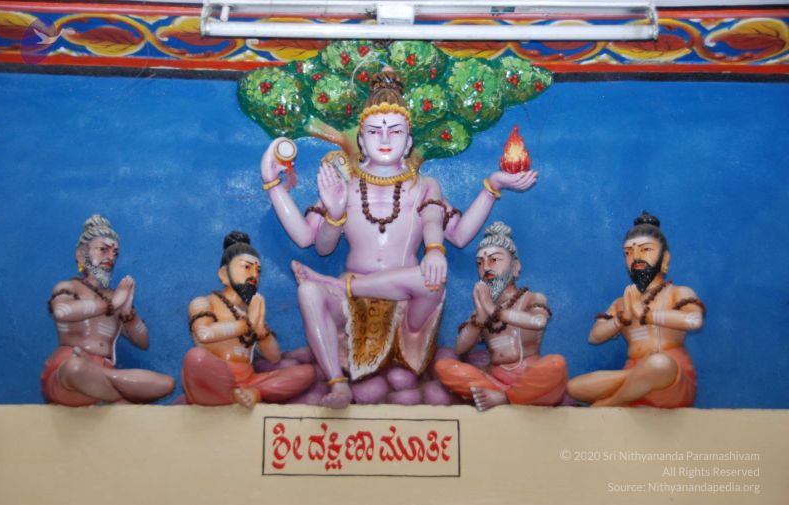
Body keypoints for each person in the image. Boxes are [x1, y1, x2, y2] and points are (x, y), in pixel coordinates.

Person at [260, 71, 538, 408]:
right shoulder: (345, 186)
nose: (385, 139)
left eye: (395, 131)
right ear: (362, 140)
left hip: (407, 302)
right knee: (308, 291)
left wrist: (492, 187)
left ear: (408, 142)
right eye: (374, 131)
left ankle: (342, 287)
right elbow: (314, 242)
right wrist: (278, 186)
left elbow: (459, 234)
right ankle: (337, 382)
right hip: (349, 299)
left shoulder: (424, 185)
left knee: (432, 278)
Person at [567, 212, 704, 408]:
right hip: (633, 377)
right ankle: (637, 381)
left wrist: (647, 315)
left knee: (658, 364)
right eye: (628, 253)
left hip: (670, 377)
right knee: (574, 387)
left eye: (646, 249)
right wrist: (622, 318)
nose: (636, 257)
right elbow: (594, 337)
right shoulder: (622, 302)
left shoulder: (678, 292)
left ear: (665, 257)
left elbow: (694, 320)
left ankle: (609, 404)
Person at [43, 215, 175, 405]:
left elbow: (143, 342)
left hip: (103, 374)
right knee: (75, 368)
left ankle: (107, 389)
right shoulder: (69, 287)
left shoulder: (115, 295)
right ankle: (122, 398)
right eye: (103, 249)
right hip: (69, 374)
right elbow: (62, 312)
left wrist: (127, 310)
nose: (110, 257)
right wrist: (111, 304)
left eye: (115, 253)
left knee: (166, 383)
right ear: (80, 255)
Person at [435, 222, 567, 411]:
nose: (486, 268)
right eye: (480, 263)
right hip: (494, 380)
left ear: (515, 267)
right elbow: (459, 348)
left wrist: (495, 311)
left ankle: (506, 398)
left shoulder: (532, 298)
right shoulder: (483, 308)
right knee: (445, 367)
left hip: (530, 378)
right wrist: (481, 318)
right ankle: (504, 395)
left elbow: (539, 321)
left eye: (494, 260)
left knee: (556, 364)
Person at [181, 231, 316, 408]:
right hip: (215, 381)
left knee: (306, 373)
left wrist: (261, 332)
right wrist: (247, 325)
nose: (254, 275)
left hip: (248, 381)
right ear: (224, 274)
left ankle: (254, 393)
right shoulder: (203, 302)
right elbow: (204, 333)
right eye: (246, 267)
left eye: (258, 270)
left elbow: (274, 358)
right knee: (195, 358)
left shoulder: (251, 311)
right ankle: (229, 394)